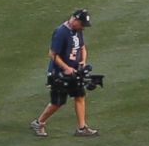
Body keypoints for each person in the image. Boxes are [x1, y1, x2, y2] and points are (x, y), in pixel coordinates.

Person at [31, 9, 99, 137]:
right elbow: (52, 54)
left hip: (75, 72)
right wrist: (66, 68)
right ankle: (39, 123)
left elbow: (82, 47)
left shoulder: (78, 31)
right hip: (59, 74)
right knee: (57, 102)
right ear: (75, 19)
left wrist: (82, 62)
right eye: (82, 24)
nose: (83, 27)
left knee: (80, 96)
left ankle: (82, 128)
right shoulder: (61, 32)